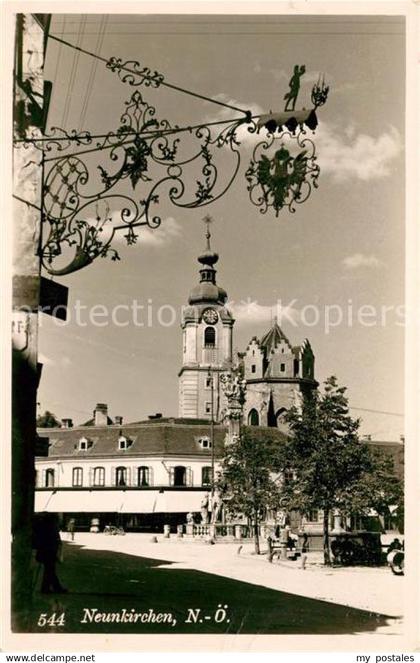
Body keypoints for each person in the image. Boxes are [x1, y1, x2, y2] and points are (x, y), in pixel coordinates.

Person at [33, 512, 68, 594]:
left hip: (46, 551)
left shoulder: (46, 526)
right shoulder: (50, 527)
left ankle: (50, 588)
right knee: (50, 570)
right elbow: (53, 539)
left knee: (49, 570)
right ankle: (51, 588)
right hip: (49, 551)